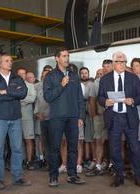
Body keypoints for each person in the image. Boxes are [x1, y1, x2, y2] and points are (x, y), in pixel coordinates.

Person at [98, 51, 140, 187]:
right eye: (118, 62)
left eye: (124, 62)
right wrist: (105, 102)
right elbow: (100, 97)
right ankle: (119, 176)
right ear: (113, 63)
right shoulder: (105, 79)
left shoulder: (133, 78)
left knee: (135, 148)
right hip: (114, 118)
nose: (121, 64)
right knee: (114, 149)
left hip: (129, 117)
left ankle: (138, 176)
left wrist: (133, 101)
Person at [0, 54, 30, 190]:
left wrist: (5, 91)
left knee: (17, 149)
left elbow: (23, 93)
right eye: (7, 61)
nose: (10, 63)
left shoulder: (17, 77)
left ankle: (17, 177)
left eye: (11, 61)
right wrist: (13, 93)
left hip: (15, 118)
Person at [43, 48, 86, 187]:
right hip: (57, 117)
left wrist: (80, 116)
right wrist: (61, 85)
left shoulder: (74, 75)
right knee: (55, 148)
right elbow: (48, 97)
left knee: (73, 147)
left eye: (68, 56)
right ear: (57, 58)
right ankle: (53, 177)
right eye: (63, 56)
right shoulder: (50, 76)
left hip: (73, 116)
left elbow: (80, 97)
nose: (67, 58)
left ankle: (72, 175)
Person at [85, 60, 112, 176]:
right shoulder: (96, 82)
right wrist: (94, 113)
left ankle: (111, 165)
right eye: (104, 66)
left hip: (113, 116)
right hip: (100, 116)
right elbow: (92, 99)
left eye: (108, 66)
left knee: (112, 141)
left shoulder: (115, 80)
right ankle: (98, 165)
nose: (106, 68)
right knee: (99, 140)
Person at [17, 68, 37, 170]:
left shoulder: (31, 86)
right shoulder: (13, 86)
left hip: (27, 117)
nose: (21, 75)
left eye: (23, 73)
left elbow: (32, 98)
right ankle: (22, 160)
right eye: (19, 74)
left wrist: (20, 99)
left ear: (25, 75)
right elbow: (12, 98)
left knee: (28, 140)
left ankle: (29, 161)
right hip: (15, 117)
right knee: (18, 141)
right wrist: (25, 100)